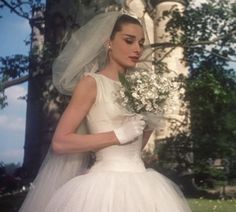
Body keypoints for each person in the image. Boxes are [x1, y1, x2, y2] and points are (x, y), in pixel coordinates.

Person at [19, 11, 192, 212]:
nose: (137, 48)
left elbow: (136, 145)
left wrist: (149, 122)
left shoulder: (142, 89)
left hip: (144, 185)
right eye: (129, 41)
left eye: (141, 43)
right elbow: (60, 142)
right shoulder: (91, 83)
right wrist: (118, 135)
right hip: (103, 185)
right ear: (108, 42)